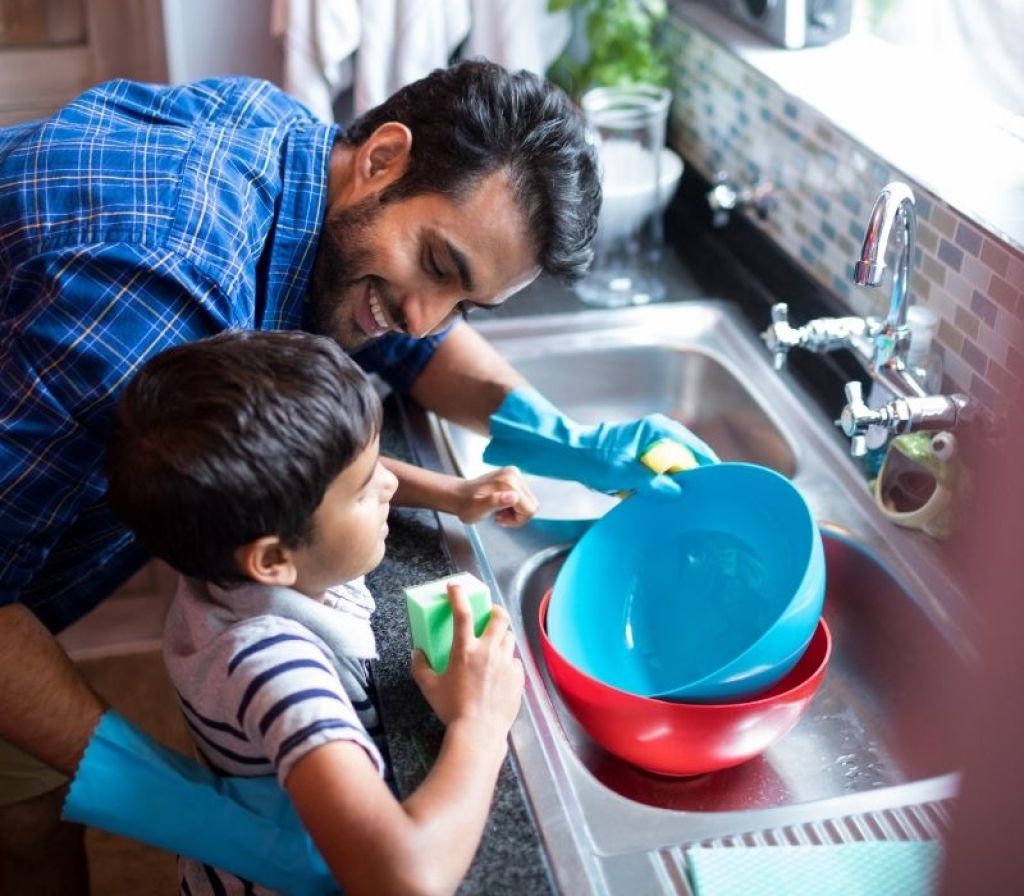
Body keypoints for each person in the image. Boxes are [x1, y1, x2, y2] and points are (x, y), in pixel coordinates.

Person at [0, 58, 708, 892]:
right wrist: (194, 812)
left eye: (467, 302)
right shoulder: (161, 295)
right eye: (440, 265)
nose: (426, 318)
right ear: (383, 158)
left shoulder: (306, 159)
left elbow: (402, 329)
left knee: (25, 795)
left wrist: (559, 436)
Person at [104, 329, 527, 896]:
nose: (391, 483)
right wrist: (480, 723)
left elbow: (330, 480)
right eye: (364, 489)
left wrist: (452, 493)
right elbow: (404, 879)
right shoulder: (273, 665)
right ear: (273, 558)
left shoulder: (222, 550)